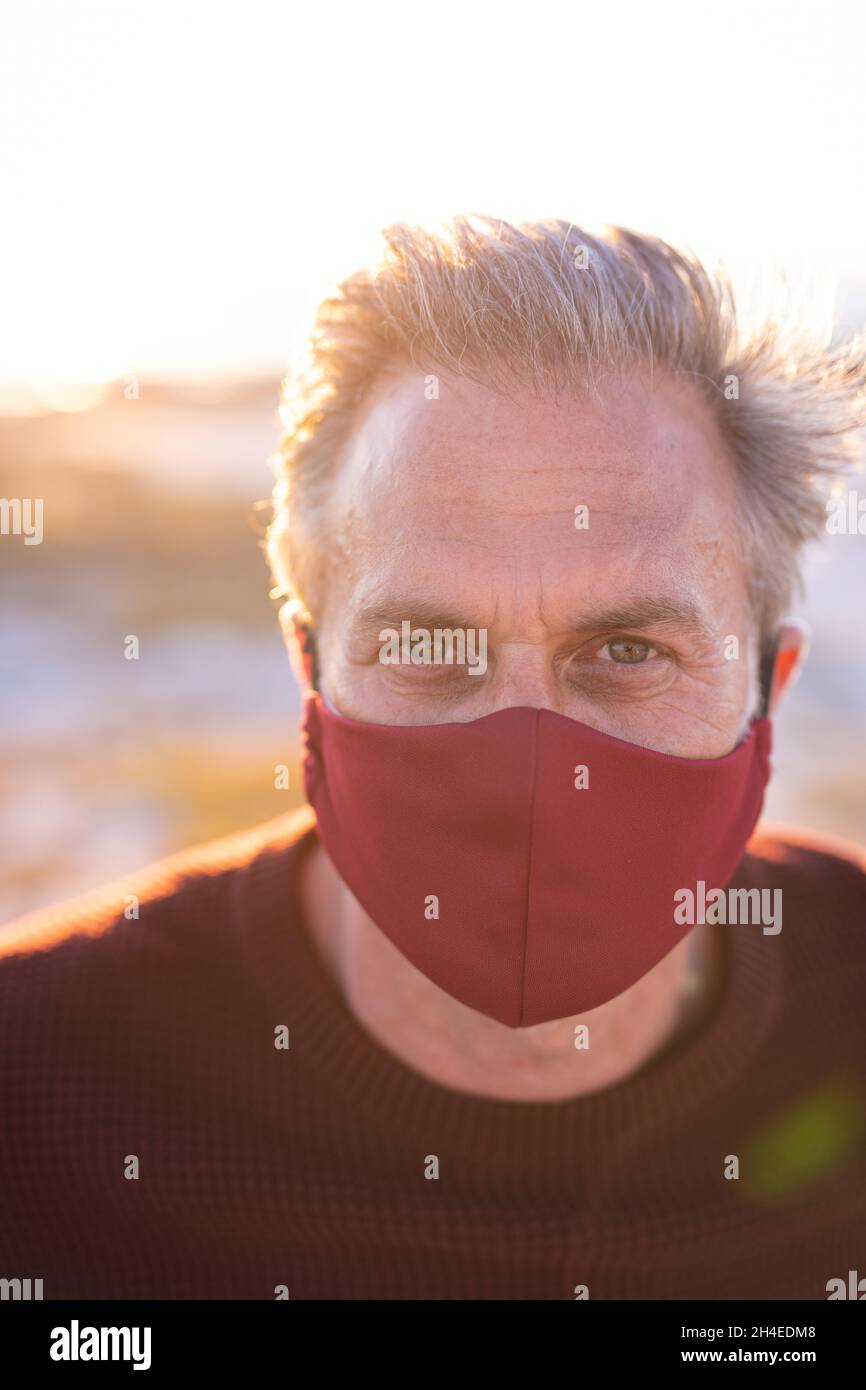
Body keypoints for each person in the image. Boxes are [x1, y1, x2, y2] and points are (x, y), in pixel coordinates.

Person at [2, 216, 865, 1300]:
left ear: (763, 691)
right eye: (424, 647)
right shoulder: (27, 1096)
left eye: (627, 649)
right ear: (310, 668)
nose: (527, 754)